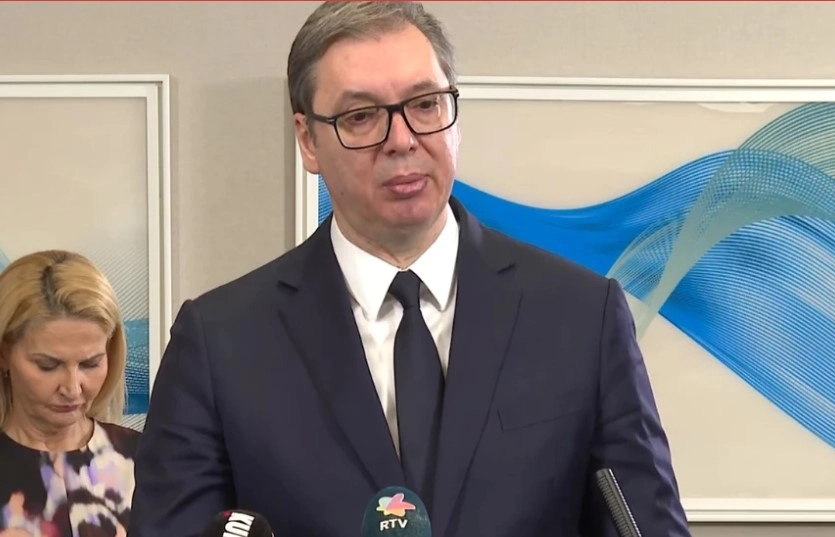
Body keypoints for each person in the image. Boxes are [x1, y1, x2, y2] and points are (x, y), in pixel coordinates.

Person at [130, 2, 691, 536]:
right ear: (308, 140)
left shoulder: (581, 317)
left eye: (425, 105)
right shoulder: (221, 342)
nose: (402, 140)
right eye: (361, 116)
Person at [0, 250, 140, 537]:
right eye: (48, 365)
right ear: (3, 354)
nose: (73, 388)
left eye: (91, 363)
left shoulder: (148, 460)